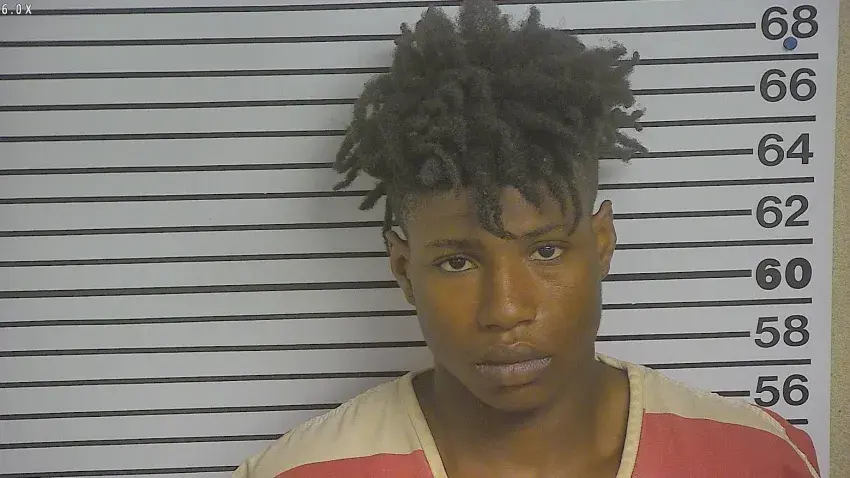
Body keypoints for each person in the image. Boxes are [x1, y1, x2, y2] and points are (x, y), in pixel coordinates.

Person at [232, 1, 821, 476]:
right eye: (457, 262)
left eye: (545, 251)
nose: (506, 309)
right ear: (404, 270)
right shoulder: (304, 471)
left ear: (602, 243)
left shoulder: (755, 458)